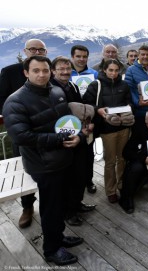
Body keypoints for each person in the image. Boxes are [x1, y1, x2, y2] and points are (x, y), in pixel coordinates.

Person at [3, 56, 83, 265]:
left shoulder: (56, 91)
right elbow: (21, 137)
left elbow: (67, 122)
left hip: (63, 158)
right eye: (36, 70)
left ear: (51, 71)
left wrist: (77, 137)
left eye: (45, 70)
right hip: (43, 164)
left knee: (59, 204)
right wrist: (59, 139)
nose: (41, 75)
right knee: (50, 208)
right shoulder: (15, 101)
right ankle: (52, 250)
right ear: (26, 73)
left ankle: (58, 237)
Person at [0, 38, 47, 229]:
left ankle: (51, 206)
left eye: (40, 49)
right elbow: (1, 99)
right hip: (23, 134)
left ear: (45, 52)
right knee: (25, 172)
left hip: (46, 133)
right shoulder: (10, 72)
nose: (36, 52)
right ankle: (28, 207)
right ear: (25, 51)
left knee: (51, 171)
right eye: (32, 49)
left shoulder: (47, 70)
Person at [50, 56, 96, 226]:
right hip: (64, 140)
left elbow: (81, 108)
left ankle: (77, 204)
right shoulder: (50, 89)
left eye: (67, 69)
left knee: (80, 175)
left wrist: (87, 125)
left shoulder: (73, 86)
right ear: (53, 71)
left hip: (80, 137)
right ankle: (69, 213)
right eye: (61, 69)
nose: (65, 72)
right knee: (67, 179)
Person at [83, 59, 133, 204]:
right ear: (104, 70)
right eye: (110, 70)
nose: (113, 73)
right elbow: (87, 104)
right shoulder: (95, 85)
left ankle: (122, 185)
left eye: (116, 70)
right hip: (107, 129)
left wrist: (126, 111)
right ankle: (111, 190)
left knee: (122, 158)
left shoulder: (124, 85)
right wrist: (98, 110)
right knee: (110, 161)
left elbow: (129, 102)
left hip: (123, 126)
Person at [70, 44, 98, 195]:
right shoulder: (66, 73)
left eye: (84, 56)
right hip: (70, 122)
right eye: (78, 56)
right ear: (72, 57)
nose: (81, 59)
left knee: (88, 153)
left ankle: (89, 181)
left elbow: (98, 97)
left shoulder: (94, 73)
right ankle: (75, 184)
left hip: (88, 120)